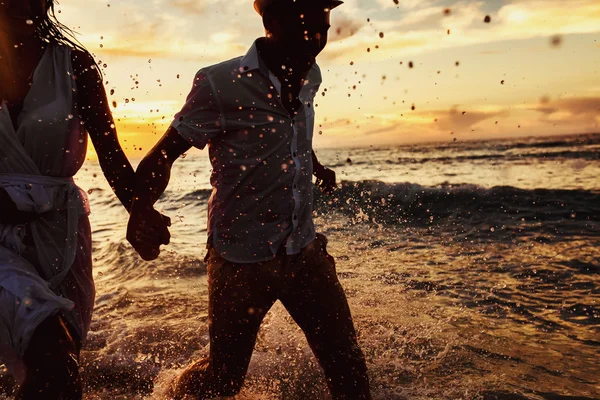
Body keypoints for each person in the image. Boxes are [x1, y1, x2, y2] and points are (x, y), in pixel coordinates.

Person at [127, 0, 371, 398]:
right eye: (304, 24)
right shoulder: (220, 83)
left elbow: (289, 132)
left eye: (323, 27)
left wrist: (315, 165)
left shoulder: (311, 74)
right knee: (224, 379)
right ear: (270, 21)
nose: (315, 38)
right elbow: (163, 154)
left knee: (347, 363)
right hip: (240, 259)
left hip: (303, 249)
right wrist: (140, 210)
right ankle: (172, 393)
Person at [0, 0, 136, 398]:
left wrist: (140, 212)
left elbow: (110, 152)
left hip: (61, 234)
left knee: (57, 368)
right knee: (54, 352)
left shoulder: (74, 65)